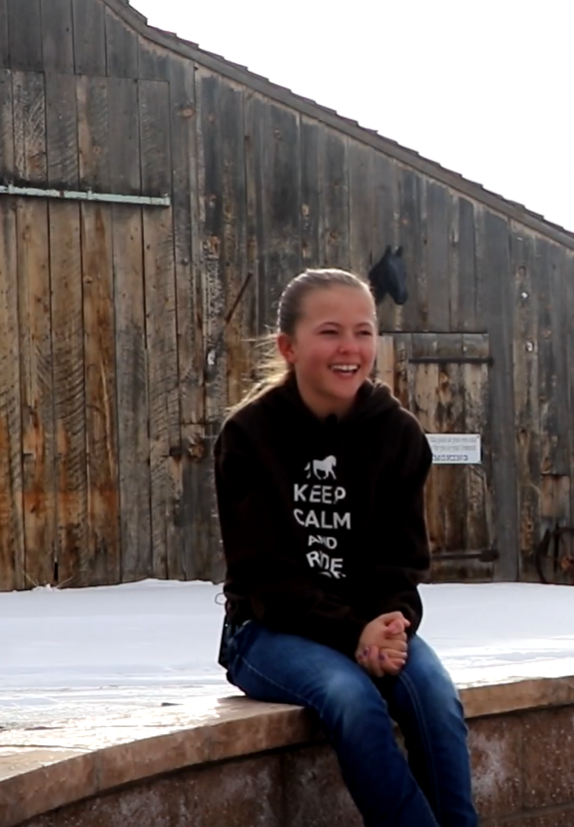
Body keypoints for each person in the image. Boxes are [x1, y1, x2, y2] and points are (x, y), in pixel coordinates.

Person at [213, 268, 478, 827]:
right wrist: (350, 633)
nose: (350, 348)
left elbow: (401, 561)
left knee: (433, 696)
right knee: (351, 698)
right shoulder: (249, 436)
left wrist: (392, 624)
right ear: (289, 346)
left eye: (364, 331)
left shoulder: (397, 435)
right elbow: (264, 574)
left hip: (369, 623)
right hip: (265, 630)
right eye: (330, 332)